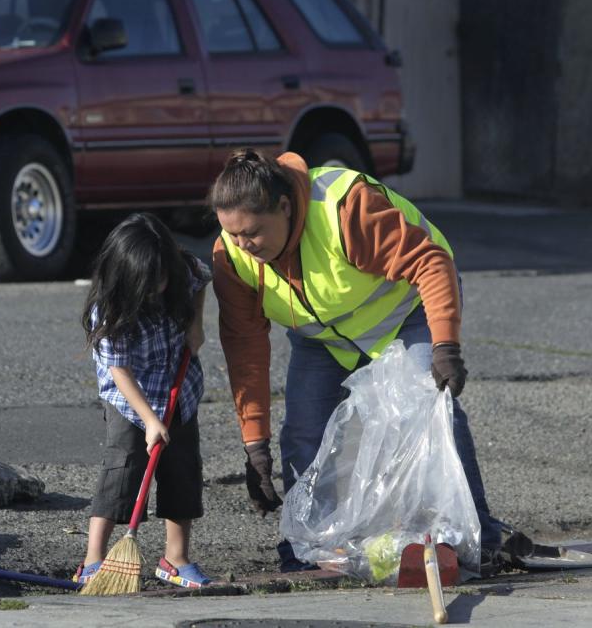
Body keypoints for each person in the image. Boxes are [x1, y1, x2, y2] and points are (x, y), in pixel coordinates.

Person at [208, 148, 506, 575]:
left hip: (407, 311)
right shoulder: (232, 257)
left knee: (429, 409)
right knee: (303, 436)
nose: (243, 246)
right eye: (232, 235)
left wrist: (445, 349)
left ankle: (479, 538)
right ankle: (306, 548)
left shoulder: (344, 208)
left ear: (285, 207)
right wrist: (254, 445)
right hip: (324, 339)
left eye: (251, 232)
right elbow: (245, 351)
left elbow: (430, 261)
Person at [75, 212, 213, 589]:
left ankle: (175, 558)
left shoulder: (180, 269)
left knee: (183, 469)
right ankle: (93, 559)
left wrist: (196, 324)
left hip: (178, 390)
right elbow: (119, 372)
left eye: (160, 281)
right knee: (124, 466)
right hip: (129, 399)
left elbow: (202, 279)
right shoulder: (110, 308)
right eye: (145, 286)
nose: (154, 291)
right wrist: (149, 420)